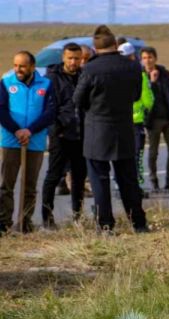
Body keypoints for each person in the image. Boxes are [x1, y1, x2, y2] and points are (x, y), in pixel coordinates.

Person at [74, 25, 148, 233]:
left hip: (97, 131)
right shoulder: (132, 67)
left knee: (99, 180)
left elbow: (77, 99)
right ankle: (139, 223)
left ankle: (105, 225)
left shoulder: (90, 69)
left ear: (95, 48)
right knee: (128, 180)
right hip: (124, 129)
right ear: (115, 45)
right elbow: (135, 96)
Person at [0, 51, 56, 233]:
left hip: (35, 141)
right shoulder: (6, 82)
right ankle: (4, 223)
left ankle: (24, 223)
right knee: (6, 184)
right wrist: (16, 130)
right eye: (15, 65)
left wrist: (29, 130)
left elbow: (50, 112)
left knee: (30, 186)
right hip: (11, 140)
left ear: (32, 66)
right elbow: (1, 110)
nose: (18, 69)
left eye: (22, 66)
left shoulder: (46, 84)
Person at [41, 43, 86, 229]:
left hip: (81, 135)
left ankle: (77, 216)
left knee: (78, 177)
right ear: (63, 58)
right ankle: (47, 218)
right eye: (70, 58)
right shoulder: (52, 78)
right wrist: (57, 128)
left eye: (77, 58)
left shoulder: (84, 76)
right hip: (60, 134)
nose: (73, 62)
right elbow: (48, 107)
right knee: (53, 175)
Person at [141, 46, 169, 192]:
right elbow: (145, 97)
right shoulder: (141, 75)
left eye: (150, 57)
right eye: (145, 58)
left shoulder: (164, 74)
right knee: (153, 152)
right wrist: (152, 83)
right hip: (152, 120)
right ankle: (154, 181)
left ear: (155, 58)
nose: (148, 61)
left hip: (168, 118)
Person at [119, 42, 154, 199]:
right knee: (136, 157)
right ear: (133, 56)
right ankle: (136, 187)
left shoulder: (112, 74)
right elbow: (148, 100)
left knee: (120, 157)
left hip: (118, 122)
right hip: (136, 122)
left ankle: (121, 185)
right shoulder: (139, 75)